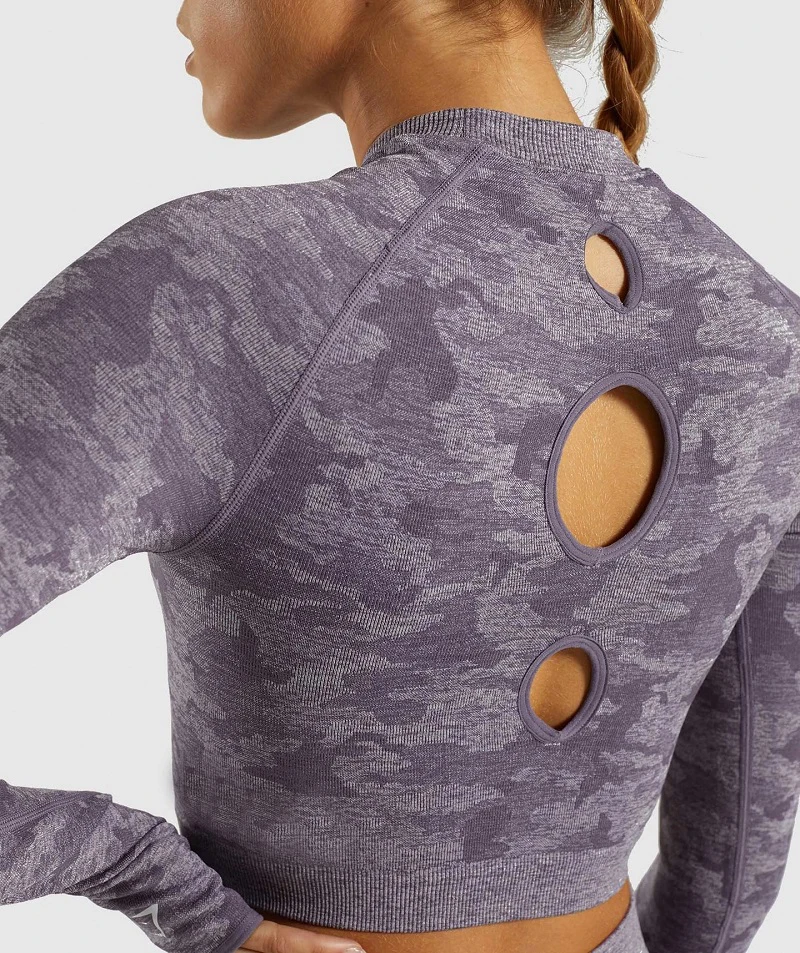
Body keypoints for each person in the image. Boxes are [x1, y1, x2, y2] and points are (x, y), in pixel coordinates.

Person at [2, 2, 799, 953]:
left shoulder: (223, 285)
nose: (181, 10)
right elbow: (742, 819)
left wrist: (145, 874)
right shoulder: (765, 331)